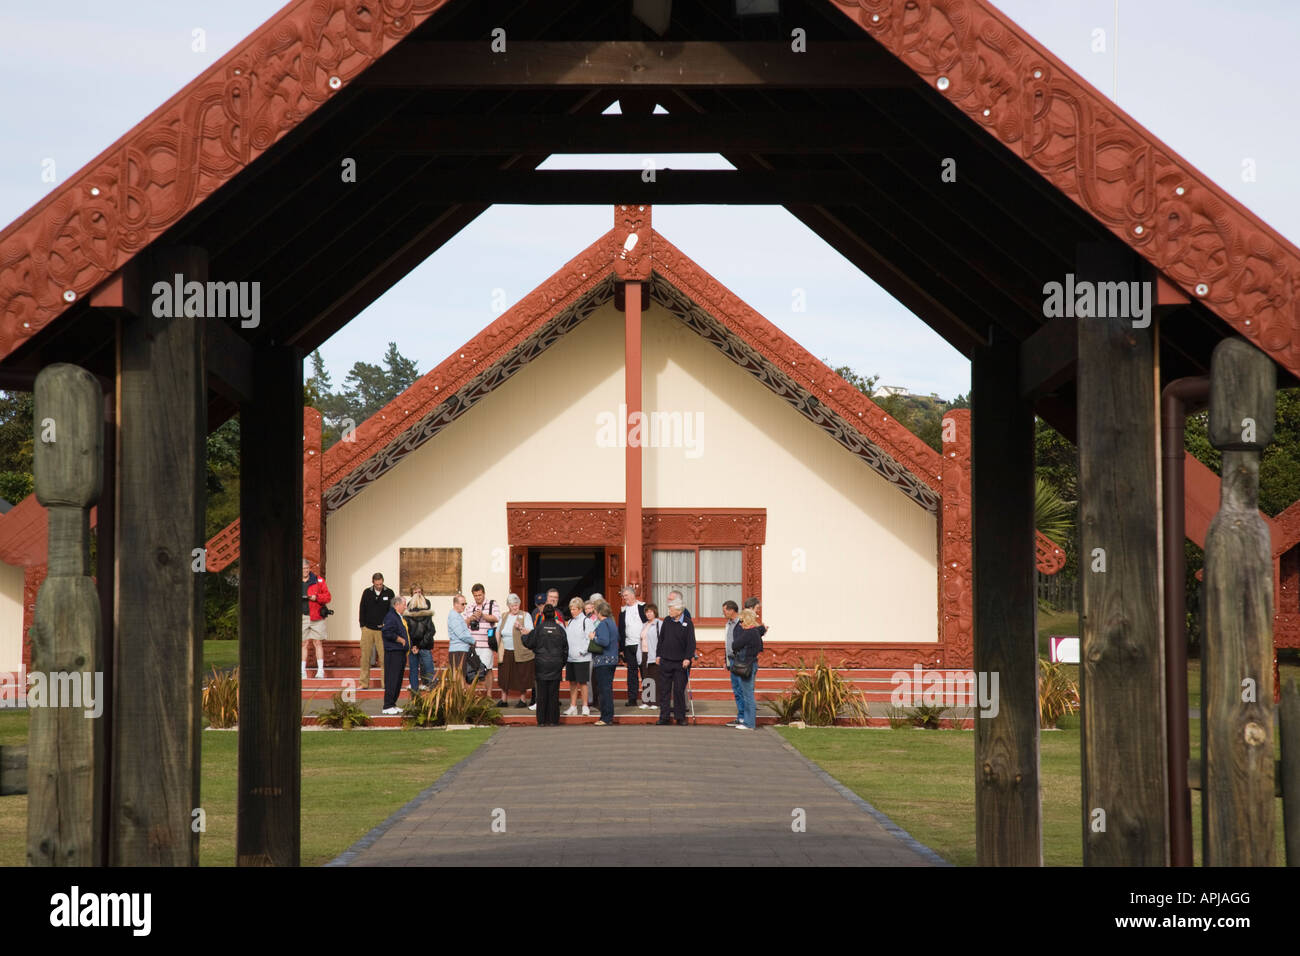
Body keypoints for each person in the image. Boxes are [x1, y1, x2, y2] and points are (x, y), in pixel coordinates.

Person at [523, 605, 568, 726]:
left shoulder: (539, 629)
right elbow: (565, 649)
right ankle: (553, 720)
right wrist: (561, 663)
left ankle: (542, 721)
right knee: (553, 694)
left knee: (541, 694)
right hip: (555, 664)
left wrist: (523, 635)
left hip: (541, 663)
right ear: (554, 614)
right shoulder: (560, 630)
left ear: (543, 615)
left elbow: (529, 643)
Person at [656, 599, 695, 725]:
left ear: (679, 611)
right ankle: (664, 717)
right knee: (664, 690)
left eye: (671, 609)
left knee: (678, 690)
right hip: (666, 660)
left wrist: (688, 658)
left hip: (680, 663)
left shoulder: (688, 623)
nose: (669, 611)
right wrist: (658, 655)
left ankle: (680, 716)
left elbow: (691, 643)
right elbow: (661, 639)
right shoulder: (667, 621)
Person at [730, 608, 766, 731]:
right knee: (748, 693)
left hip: (747, 665)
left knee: (747, 694)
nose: (740, 623)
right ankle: (747, 721)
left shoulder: (748, 633)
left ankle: (749, 723)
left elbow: (734, 645)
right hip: (753, 663)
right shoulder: (756, 632)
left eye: (741, 620)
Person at [498, 593, 535, 708]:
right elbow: (498, 631)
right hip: (506, 651)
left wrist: (520, 627)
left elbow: (530, 632)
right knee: (504, 675)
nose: (515, 607)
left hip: (520, 651)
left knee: (521, 675)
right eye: (513, 605)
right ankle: (503, 699)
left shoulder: (525, 615)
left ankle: (523, 700)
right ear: (508, 606)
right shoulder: (504, 616)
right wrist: (498, 645)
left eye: (517, 605)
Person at [358, 572, 394, 689]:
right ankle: (363, 683)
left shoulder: (389, 592)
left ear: (383, 581)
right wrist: (362, 625)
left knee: (384, 658)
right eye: (377, 584)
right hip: (368, 629)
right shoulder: (367, 592)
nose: (379, 586)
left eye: (381, 584)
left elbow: (392, 611)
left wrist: (388, 626)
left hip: (382, 630)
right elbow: (362, 609)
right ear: (373, 582)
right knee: (365, 657)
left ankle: (386, 684)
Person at [466, 584, 500, 700]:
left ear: (484, 594)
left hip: (486, 644)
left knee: (487, 669)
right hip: (473, 645)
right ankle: (474, 695)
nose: (478, 598)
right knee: (472, 670)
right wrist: (471, 618)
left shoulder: (492, 604)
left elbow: (496, 618)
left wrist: (483, 615)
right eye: (475, 596)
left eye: (480, 595)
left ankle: (489, 695)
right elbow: (464, 623)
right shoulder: (470, 606)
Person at [617, 586, 648, 707]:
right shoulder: (623, 611)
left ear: (632, 595)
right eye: (623, 596)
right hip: (629, 645)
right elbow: (621, 630)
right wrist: (621, 649)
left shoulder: (643, 607)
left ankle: (648, 699)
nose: (624, 598)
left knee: (645, 672)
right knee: (631, 674)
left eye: (626, 596)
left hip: (643, 646)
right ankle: (632, 699)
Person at [589, 600, 619, 726]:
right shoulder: (612, 623)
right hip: (612, 660)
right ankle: (608, 715)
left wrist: (593, 637)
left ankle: (606, 717)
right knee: (607, 689)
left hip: (603, 661)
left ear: (599, 612)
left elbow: (604, 641)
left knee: (604, 690)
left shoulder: (603, 624)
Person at [379, 595, 410, 714]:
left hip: (400, 653)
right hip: (393, 652)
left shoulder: (399, 617)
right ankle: (387, 706)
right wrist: (400, 639)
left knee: (398, 680)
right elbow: (387, 632)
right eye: (404, 604)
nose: (405, 607)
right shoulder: (391, 616)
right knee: (392, 679)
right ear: (397, 605)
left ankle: (393, 703)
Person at [564, 596, 594, 716]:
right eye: (571, 609)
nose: (572, 611)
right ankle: (573, 706)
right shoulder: (570, 622)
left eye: (575, 609)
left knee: (583, 683)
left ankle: (585, 706)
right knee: (572, 682)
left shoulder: (586, 621)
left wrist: (583, 651)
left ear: (580, 609)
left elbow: (590, 639)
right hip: (570, 657)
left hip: (582, 658)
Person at [301, 559, 331, 680]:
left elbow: (328, 597)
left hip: (316, 617)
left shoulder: (318, 581)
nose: (305, 571)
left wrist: (316, 597)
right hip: (302, 616)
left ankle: (320, 670)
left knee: (317, 642)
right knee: (303, 643)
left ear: (309, 568)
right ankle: (302, 671)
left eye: (307, 568)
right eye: (303, 569)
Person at [404, 584, 436, 692]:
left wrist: (417, 645)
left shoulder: (426, 609)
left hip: (423, 645)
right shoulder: (409, 612)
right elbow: (407, 631)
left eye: (419, 592)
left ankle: (424, 692)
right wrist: (414, 645)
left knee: (426, 670)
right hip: (416, 646)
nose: (418, 595)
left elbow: (430, 631)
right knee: (417, 670)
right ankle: (418, 693)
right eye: (415, 593)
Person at [638, 603, 662, 709]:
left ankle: (655, 702)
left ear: (655, 612)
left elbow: (662, 640)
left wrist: (660, 654)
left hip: (654, 654)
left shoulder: (659, 624)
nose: (648, 614)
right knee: (646, 678)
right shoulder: (644, 625)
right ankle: (646, 701)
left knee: (655, 678)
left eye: (650, 612)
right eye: (647, 612)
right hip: (644, 653)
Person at [721, 600, 741, 726]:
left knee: (741, 689)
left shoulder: (741, 623)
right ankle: (740, 716)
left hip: (740, 660)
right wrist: (726, 660)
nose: (723, 614)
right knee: (736, 689)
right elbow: (727, 642)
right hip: (731, 659)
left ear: (731, 610)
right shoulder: (728, 624)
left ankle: (745, 717)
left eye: (725, 611)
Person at [447, 593, 474, 680]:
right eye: (463, 604)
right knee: (458, 678)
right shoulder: (454, 616)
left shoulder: (458, 615)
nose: (464, 606)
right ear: (456, 604)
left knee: (461, 677)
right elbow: (461, 634)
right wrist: (473, 641)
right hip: (458, 650)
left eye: (465, 604)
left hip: (461, 649)